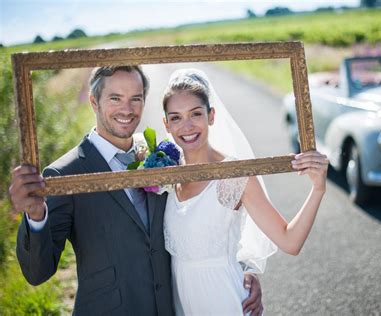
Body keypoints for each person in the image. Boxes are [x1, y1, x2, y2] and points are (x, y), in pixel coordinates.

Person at [8, 65, 264, 315]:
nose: (127, 109)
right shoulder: (65, 174)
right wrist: (36, 217)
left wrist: (243, 270)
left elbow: (211, 218)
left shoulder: (161, 154)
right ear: (94, 102)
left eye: (136, 99)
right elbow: (37, 272)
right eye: (115, 98)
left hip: (175, 307)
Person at [161, 69, 328, 315]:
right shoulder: (164, 174)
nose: (186, 126)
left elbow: (290, 241)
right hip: (181, 303)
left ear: (211, 115)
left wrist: (318, 188)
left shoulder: (235, 175)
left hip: (224, 299)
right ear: (166, 124)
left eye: (195, 114)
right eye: (175, 118)